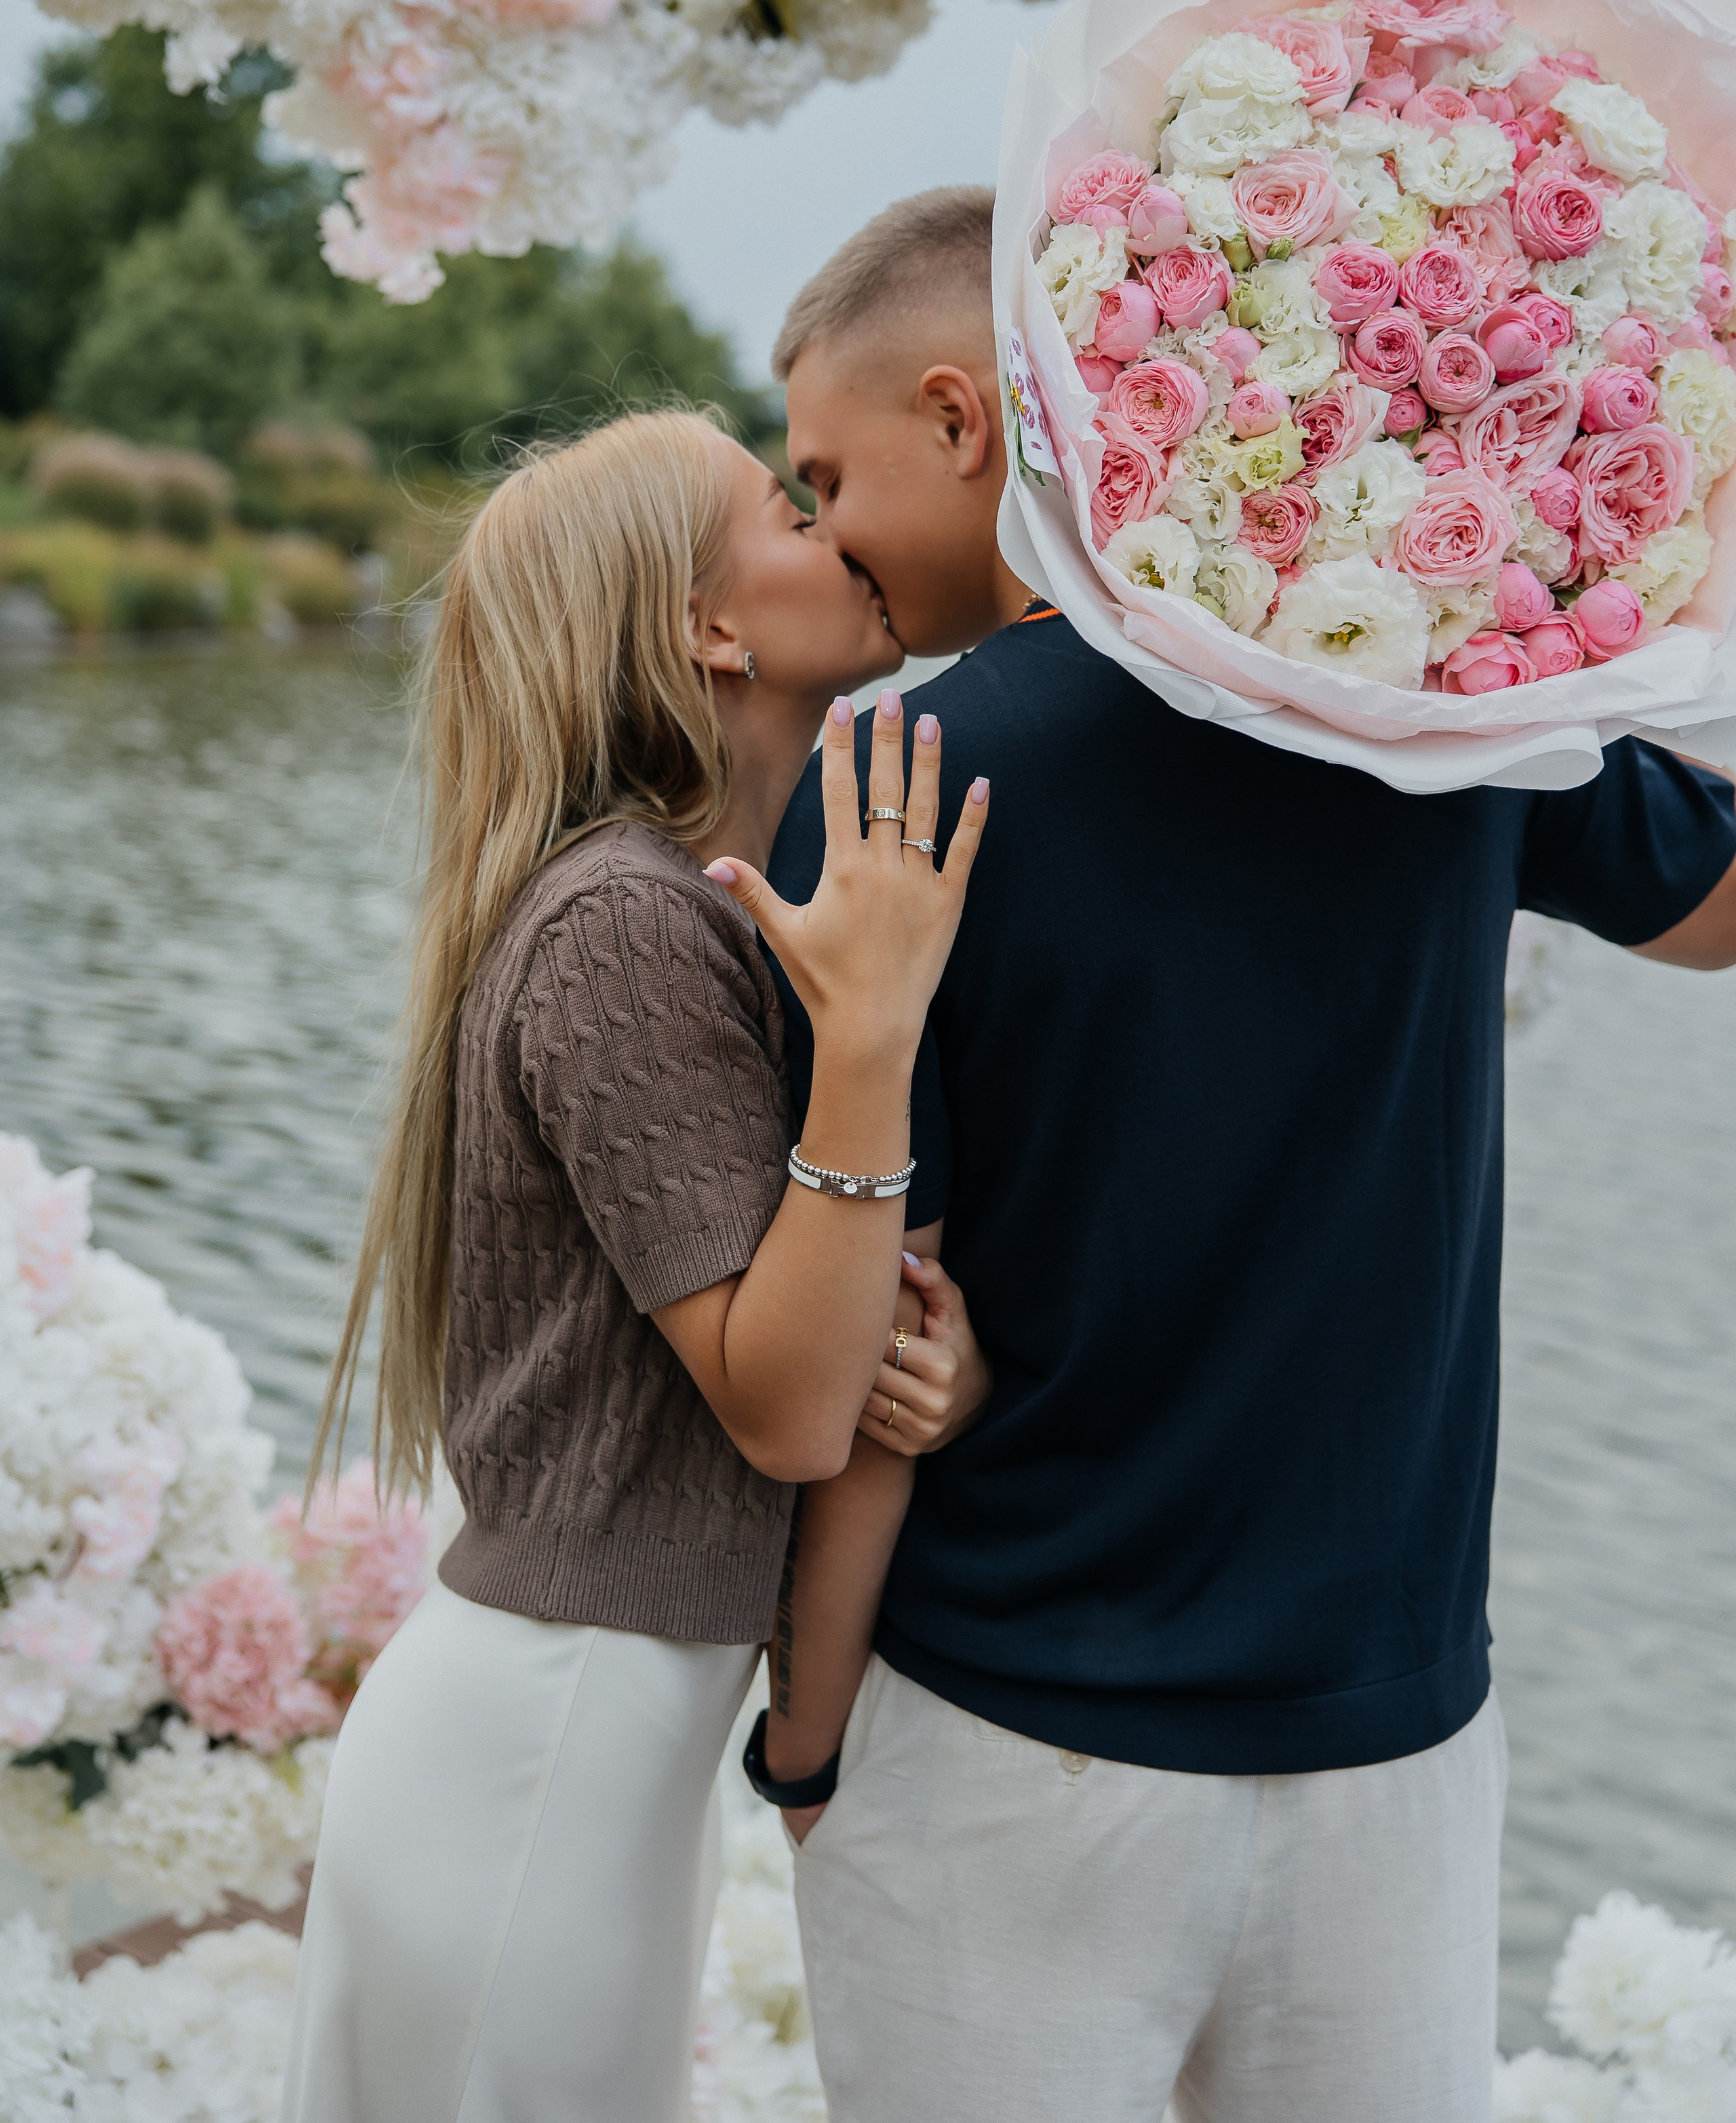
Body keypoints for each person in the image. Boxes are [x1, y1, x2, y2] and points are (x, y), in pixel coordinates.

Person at [752, 186, 1736, 2123]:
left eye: (825, 476)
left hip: (1006, 1728)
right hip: (1393, 1729)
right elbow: (1717, 902)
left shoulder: (890, 782)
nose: (827, 533)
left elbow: (873, 1342)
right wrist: (1591, 557)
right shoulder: (1421, 714)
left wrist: (803, 1734)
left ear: (961, 421)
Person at [280, 410, 991, 2123]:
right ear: (708, 627)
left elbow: (818, 1346)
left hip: (589, 1742)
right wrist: (873, 1030)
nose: (837, 528)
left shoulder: (677, 907)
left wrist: (934, 1371)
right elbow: (788, 1411)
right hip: (549, 1748)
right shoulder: (623, 927)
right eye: (787, 511)